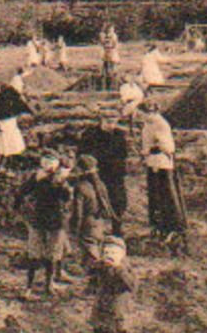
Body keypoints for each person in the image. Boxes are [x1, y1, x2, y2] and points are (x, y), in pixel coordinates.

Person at [18, 155, 71, 295]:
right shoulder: (42, 179)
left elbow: (66, 197)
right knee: (40, 255)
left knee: (45, 255)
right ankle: (36, 286)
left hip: (47, 220)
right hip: (46, 220)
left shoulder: (51, 179)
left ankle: (42, 285)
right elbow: (23, 191)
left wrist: (61, 182)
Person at [139, 101, 187, 248]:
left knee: (166, 195)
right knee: (155, 196)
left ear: (151, 112)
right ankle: (158, 226)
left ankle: (172, 227)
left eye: (142, 114)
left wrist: (150, 150)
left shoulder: (160, 124)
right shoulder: (148, 124)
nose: (140, 117)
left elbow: (167, 147)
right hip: (152, 163)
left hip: (161, 164)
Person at [79, 111, 130, 233]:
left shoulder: (119, 135)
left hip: (115, 174)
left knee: (118, 201)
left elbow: (124, 154)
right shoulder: (90, 135)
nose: (111, 123)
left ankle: (116, 229)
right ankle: (95, 231)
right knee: (95, 203)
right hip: (97, 174)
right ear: (101, 119)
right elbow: (82, 154)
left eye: (114, 119)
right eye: (108, 120)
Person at [68, 154, 115, 278]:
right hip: (100, 222)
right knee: (96, 249)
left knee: (91, 252)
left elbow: (78, 212)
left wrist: (75, 228)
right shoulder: (100, 185)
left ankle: (98, 277)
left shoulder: (80, 187)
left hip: (87, 222)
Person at [0, 80, 34, 166]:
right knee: (9, 144)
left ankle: (7, 162)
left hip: (5, 124)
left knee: (8, 145)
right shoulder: (6, 97)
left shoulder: (4, 99)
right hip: (5, 124)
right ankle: (7, 162)